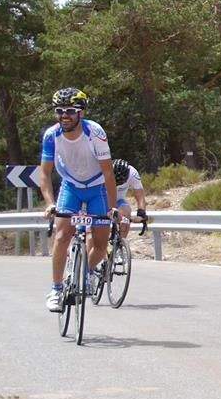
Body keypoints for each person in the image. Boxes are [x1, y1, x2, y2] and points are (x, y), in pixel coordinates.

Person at [39, 88, 118, 313]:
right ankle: (55, 289)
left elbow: (108, 173)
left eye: (70, 111)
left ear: (81, 113)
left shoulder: (95, 133)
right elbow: (44, 173)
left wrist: (112, 208)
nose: (65, 115)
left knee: (101, 245)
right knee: (63, 235)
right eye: (59, 111)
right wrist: (49, 203)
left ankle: (84, 275)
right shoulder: (51, 135)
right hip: (70, 187)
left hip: (96, 188)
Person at [112, 159, 147, 237]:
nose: (117, 185)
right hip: (103, 200)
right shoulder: (103, 170)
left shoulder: (132, 173)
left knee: (126, 212)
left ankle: (121, 243)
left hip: (118, 200)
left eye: (120, 183)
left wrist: (141, 212)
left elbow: (140, 195)